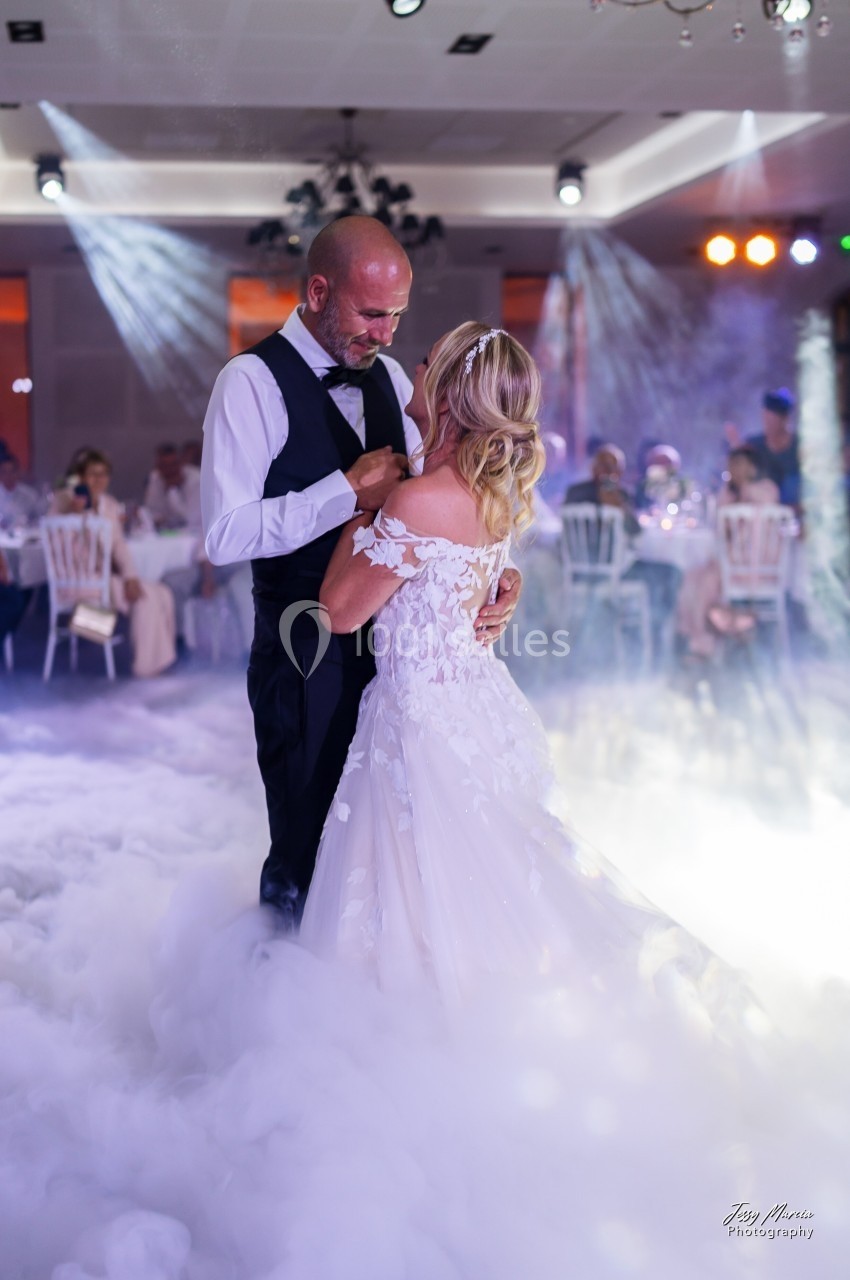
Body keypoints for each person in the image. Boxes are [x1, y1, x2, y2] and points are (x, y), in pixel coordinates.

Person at [300, 324, 727, 1008]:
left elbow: (341, 611)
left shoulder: (415, 499)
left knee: (421, 884)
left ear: (447, 391)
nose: (413, 362)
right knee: (478, 884)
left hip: (422, 722)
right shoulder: (492, 493)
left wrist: (362, 507)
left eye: (429, 358)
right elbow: (468, 574)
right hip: (480, 701)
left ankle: (430, 1020)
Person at [201, 217, 524, 925]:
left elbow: (443, 498)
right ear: (319, 292)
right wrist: (344, 492)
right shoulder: (249, 383)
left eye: (397, 317)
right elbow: (224, 534)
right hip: (303, 651)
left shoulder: (388, 383)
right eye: (372, 314)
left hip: (398, 670)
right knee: (305, 843)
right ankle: (281, 997)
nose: (386, 335)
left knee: (382, 858)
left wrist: (493, 576)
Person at [51, 449, 177, 677]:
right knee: (146, 599)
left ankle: (160, 661)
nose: (99, 480)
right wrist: (75, 515)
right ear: (80, 476)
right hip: (78, 580)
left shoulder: (108, 504)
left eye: (104, 474)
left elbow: (119, 545)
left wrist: (130, 577)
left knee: (162, 593)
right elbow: (59, 542)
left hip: (104, 579)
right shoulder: (64, 500)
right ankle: (146, 668)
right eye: (92, 474)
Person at [564, 443, 680, 658]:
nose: (608, 472)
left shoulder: (620, 495)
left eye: (613, 468)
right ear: (594, 468)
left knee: (669, 572)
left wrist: (622, 508)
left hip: (588, 573)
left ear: (620, 472)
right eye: (604, 466)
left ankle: (659, 631)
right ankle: (657, 639)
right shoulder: (578, 493)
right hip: (609, 572)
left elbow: (636, 531)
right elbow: (636, 536)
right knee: (669, 573)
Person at [675, 446, 779, 661]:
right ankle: (693, 634)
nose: (734, 470)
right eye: (731, 465)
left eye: (739, 465)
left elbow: (763, 500)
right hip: (731, 563)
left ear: (752, 468)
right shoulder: (727, 496)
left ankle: (705, 642)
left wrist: (743, 489)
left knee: (708, 580)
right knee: (692, 576)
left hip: (758, 565)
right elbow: (722, 532)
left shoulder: (766, 489)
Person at [744, 387, 801, 509]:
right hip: (763, 507)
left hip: (795, 507)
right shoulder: (754, 444)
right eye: (765, 417)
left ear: (784, 419)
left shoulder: (798, 444)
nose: (768, 423)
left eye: (772, 418)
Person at [0, 453, 43, 528]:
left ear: (17, 472)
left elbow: (40, 518)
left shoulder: (30, 495)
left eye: (12, 471)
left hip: (25, 536)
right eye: (4, 472)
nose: (8, 476)